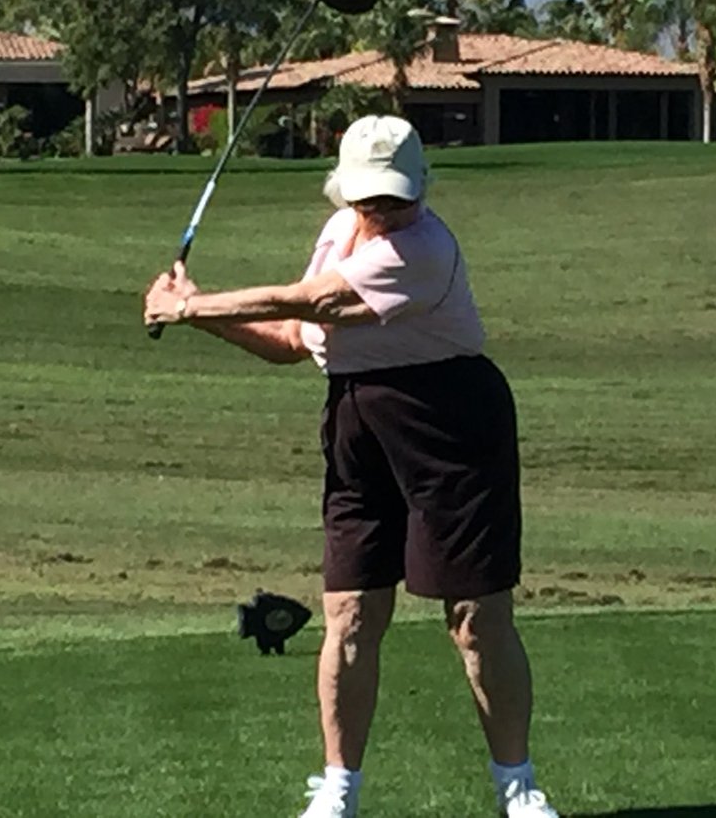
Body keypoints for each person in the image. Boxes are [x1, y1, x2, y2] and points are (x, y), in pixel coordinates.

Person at [143, 115, 559, 818]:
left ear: (422, 185)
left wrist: (188, 305)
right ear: (343, 190)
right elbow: (287, 338)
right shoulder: (339, 235)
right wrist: (199, 311)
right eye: (370, 196)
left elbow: (315, 301)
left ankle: (517, 788)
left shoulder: (423, 248)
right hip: (357, 423)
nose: (383, 209)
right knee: (350, 611)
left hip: (450, 420)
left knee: (475, 616)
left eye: (394, 194)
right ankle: (339, 790)